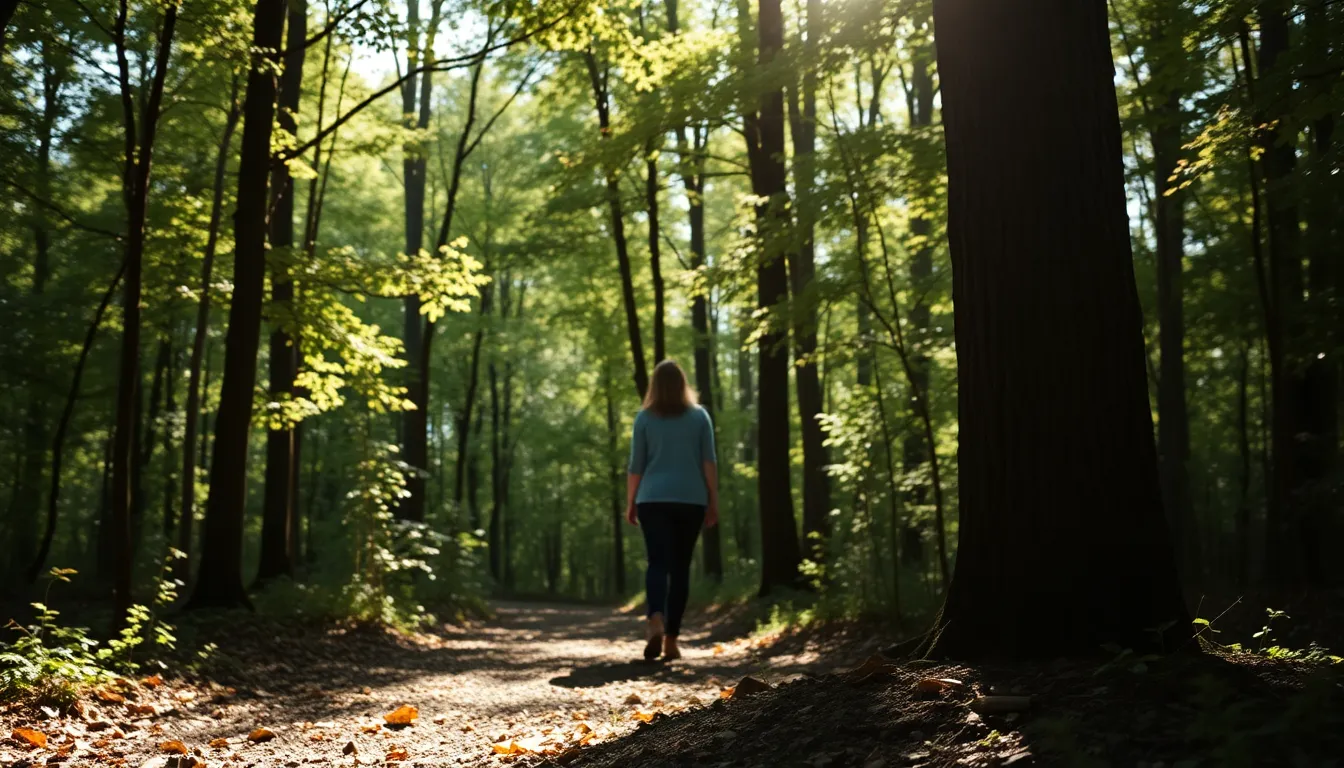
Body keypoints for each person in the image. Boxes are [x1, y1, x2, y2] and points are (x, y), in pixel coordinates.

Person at [626, 359, 718, 661]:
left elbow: (636, 466)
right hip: (690, 500)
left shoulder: (645, 418)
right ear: (683, 384)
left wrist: (631, 501)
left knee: (657, 563)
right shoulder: (700, 417)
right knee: (680, 569)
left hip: (652, 499)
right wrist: (712, 500)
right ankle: (671, 641)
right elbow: (709, 462)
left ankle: (654, 617)